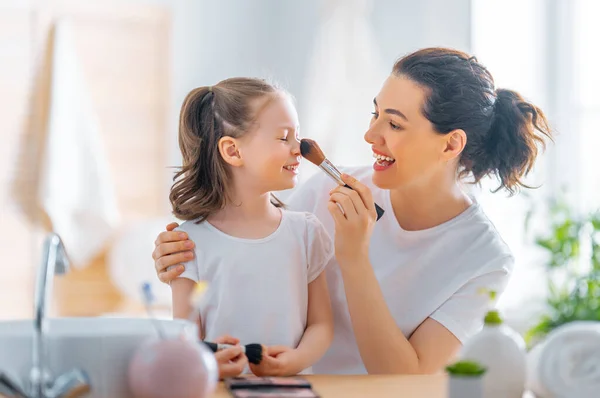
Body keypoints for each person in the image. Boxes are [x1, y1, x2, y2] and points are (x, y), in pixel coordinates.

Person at [152, 48, 552, 375]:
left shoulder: (485, 259)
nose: (370, 135)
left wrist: (354, 258)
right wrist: (182, 257)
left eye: (394, 125)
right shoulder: (328, 187)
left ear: (450, 145)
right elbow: (250, 247)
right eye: (374, 114)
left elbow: (403, 377)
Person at [168, 78, 334, 378]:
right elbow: (184, 333)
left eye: (297, 136)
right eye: (284, 138)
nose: (299, 149)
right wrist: (208, 361)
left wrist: (296, 359)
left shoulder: (307, 233)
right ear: (233, 151)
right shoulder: (188, 242)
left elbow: (321, 325)